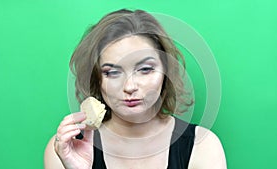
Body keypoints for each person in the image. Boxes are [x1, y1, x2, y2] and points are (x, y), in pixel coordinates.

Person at [44, 9, 226, 169]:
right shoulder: (65, 149)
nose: (129, 87)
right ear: (97, 78)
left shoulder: (202, 146)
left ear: (166, 72)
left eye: (145, 69)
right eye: (112, 72)